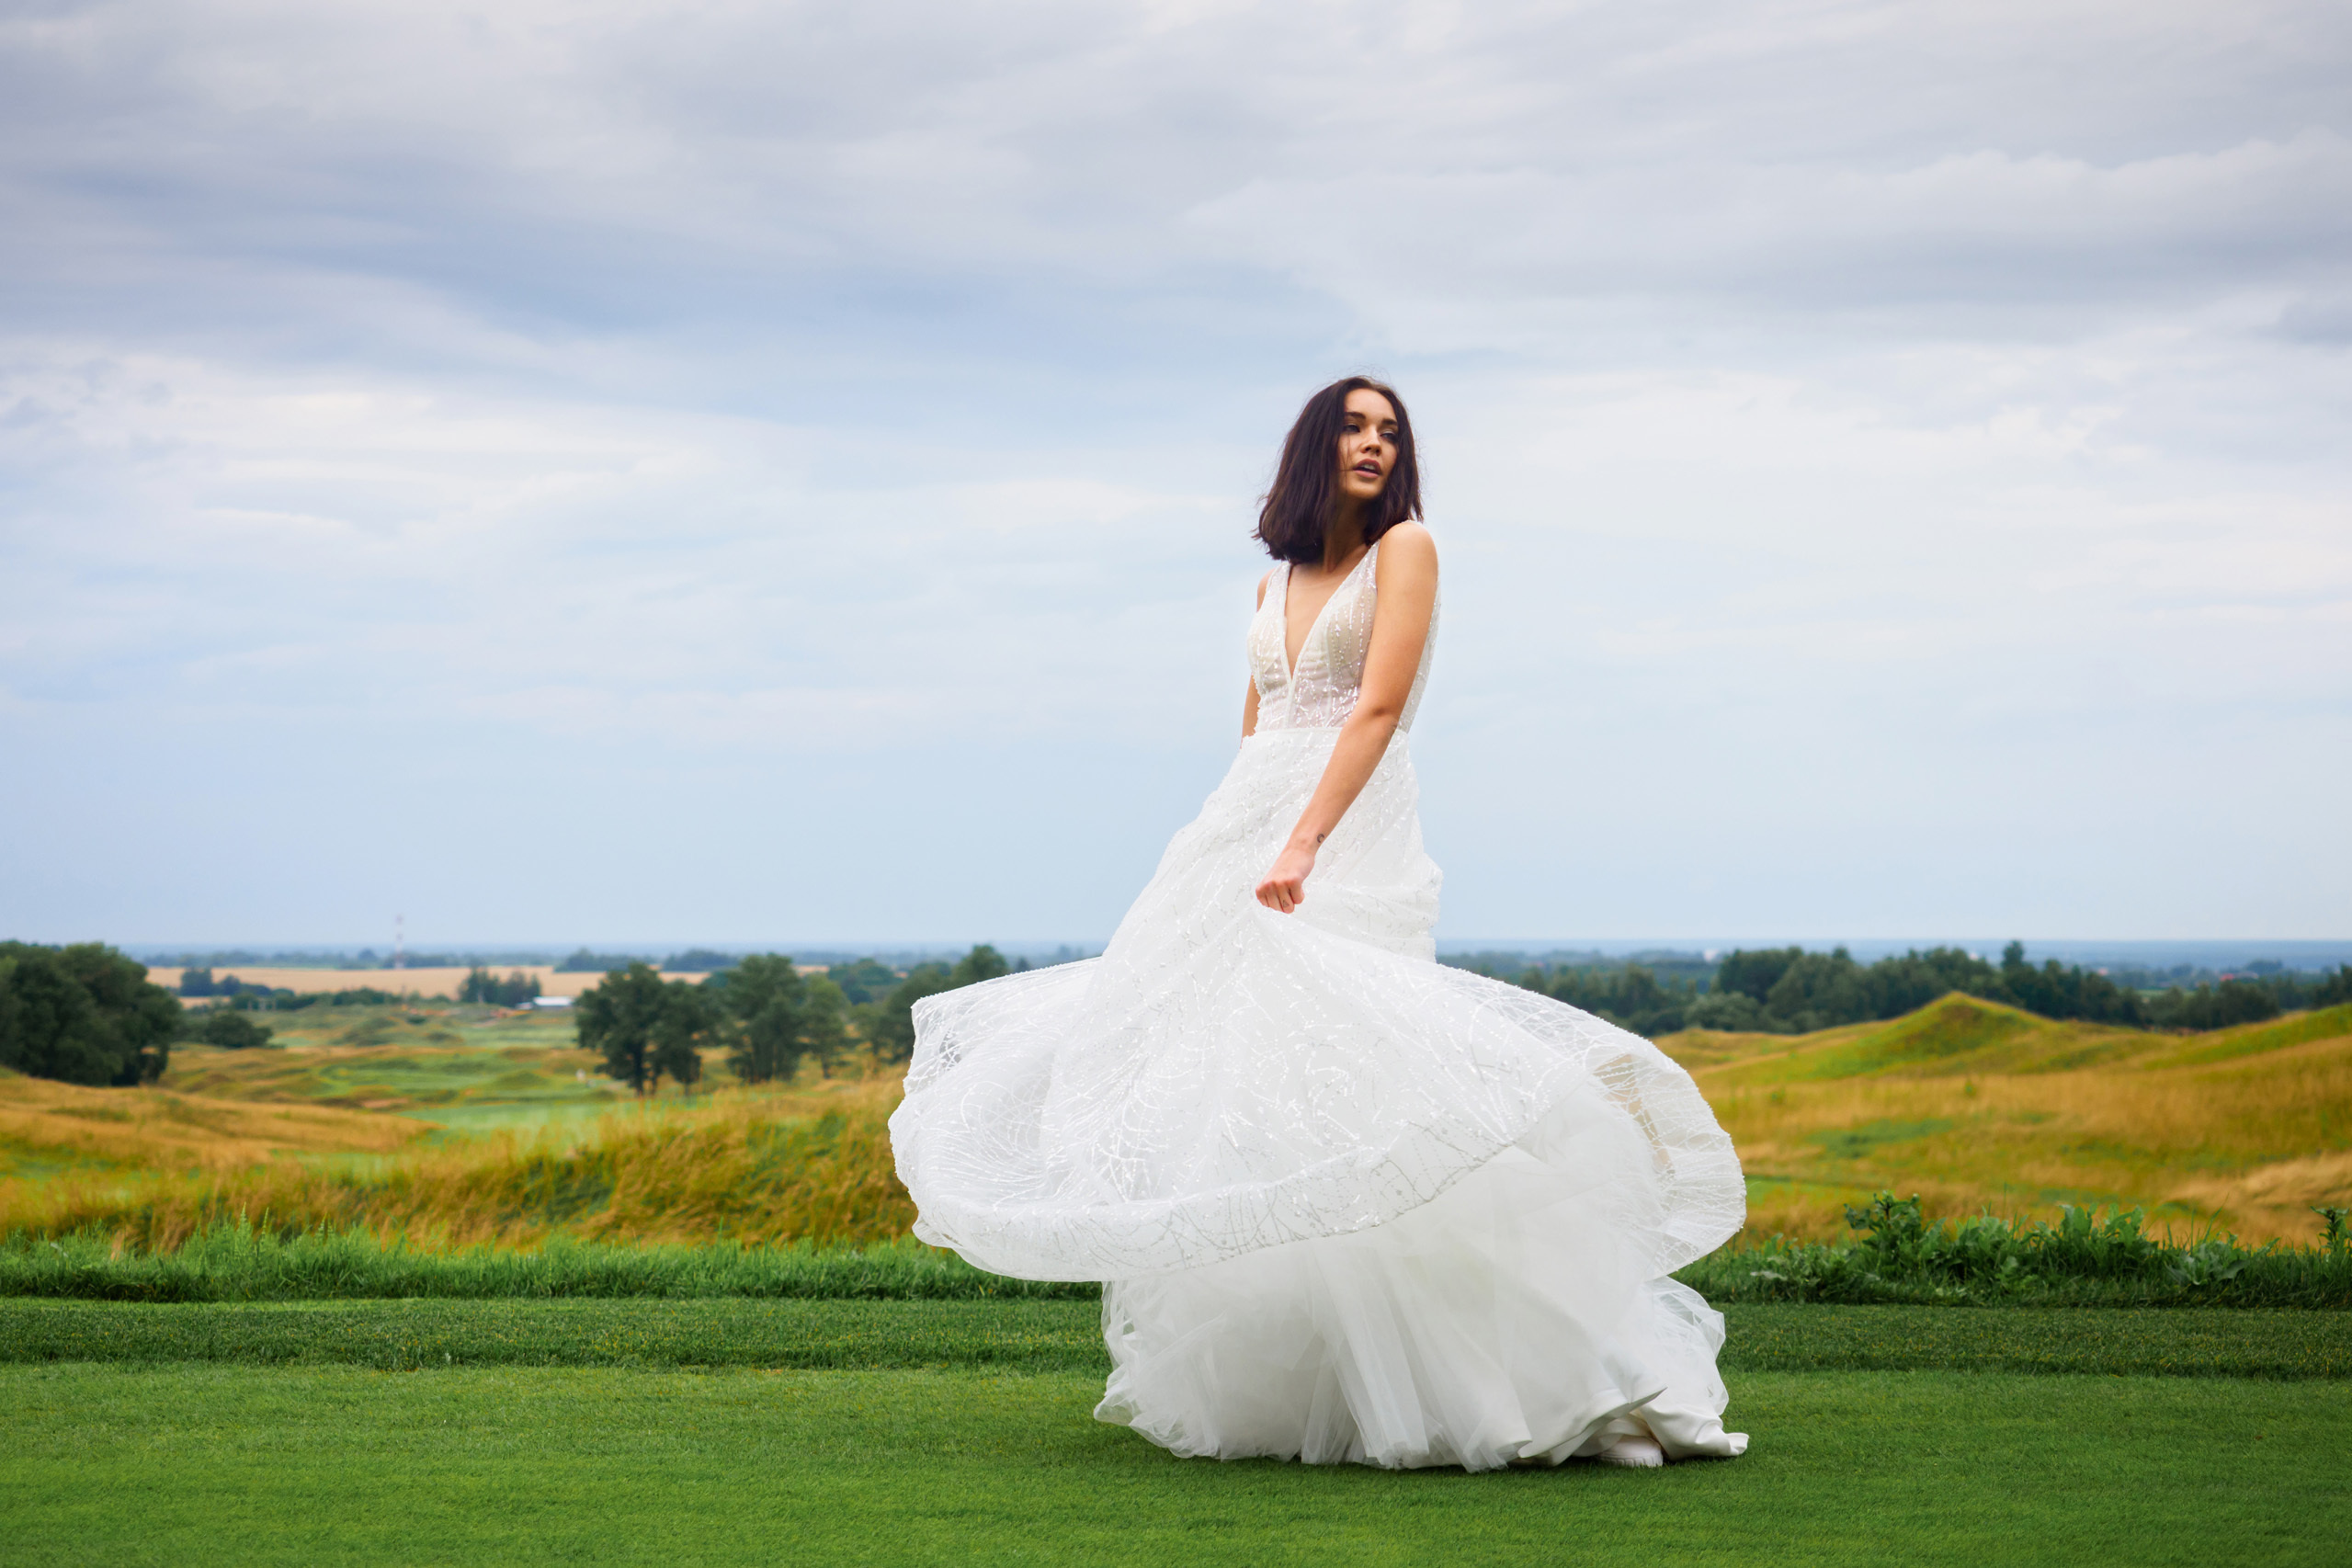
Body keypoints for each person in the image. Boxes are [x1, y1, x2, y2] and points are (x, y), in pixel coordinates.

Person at [889, 377, 1748, 1471]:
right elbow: (1257, 731)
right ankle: (1338, 1388)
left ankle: (1571, 1387)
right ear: (1314, 446)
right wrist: (1226, 845)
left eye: (1392, 432)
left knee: (1381, 1086)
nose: (1376, 445)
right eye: (1355, 426)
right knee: (1253, 1096)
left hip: (1346, 836)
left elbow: (1377, 710)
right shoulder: (1275, 579)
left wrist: (1304, 842)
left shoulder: (1410, 551)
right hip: (1245, 830)